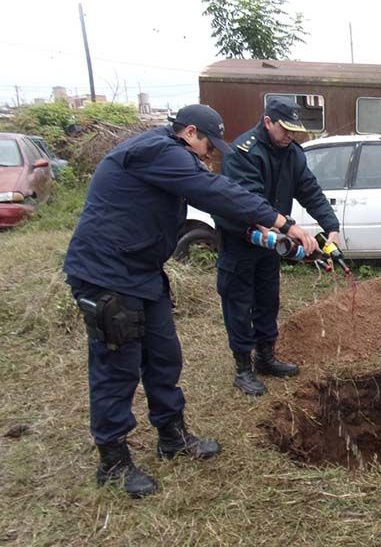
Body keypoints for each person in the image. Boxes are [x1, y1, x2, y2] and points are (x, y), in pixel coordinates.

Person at [64, 104, 304, 498]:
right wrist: (283, 221)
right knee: (117, 366)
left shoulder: (172, 155)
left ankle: (172, 436)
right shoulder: (159, 151)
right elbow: (212, 190)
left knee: (164, 355)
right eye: (209, 144)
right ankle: (113, 460)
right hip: (106, 273)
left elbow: (213, 194)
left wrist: (260, 221)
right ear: (190, 131)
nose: (211, 154)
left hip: (142, 272)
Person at [215, 96, 341, 396]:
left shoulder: (292, 153)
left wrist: (331, 225)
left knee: (267, 299)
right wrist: (290, 227)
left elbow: (309, 189)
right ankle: (243, 366)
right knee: (238, 302)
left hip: (271, 244)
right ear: (267, 121)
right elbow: (251, 203)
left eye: (294, 131)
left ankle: (266, 357)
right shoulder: (242, 153)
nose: (290, 136)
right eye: (285, 129)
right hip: (241, 239)